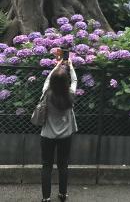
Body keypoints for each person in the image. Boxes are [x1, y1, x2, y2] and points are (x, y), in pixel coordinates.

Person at [41, 59, 78, 202]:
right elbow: (74, 80)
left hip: (47, 136)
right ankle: (63, 194)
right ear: (65, 83)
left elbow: (48, 79)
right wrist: (71, 66)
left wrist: (57, 66)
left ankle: (46, 198)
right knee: (63, 165)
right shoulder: (70, 94)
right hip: (65, 136)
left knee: (46, 166)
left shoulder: (46, 93)